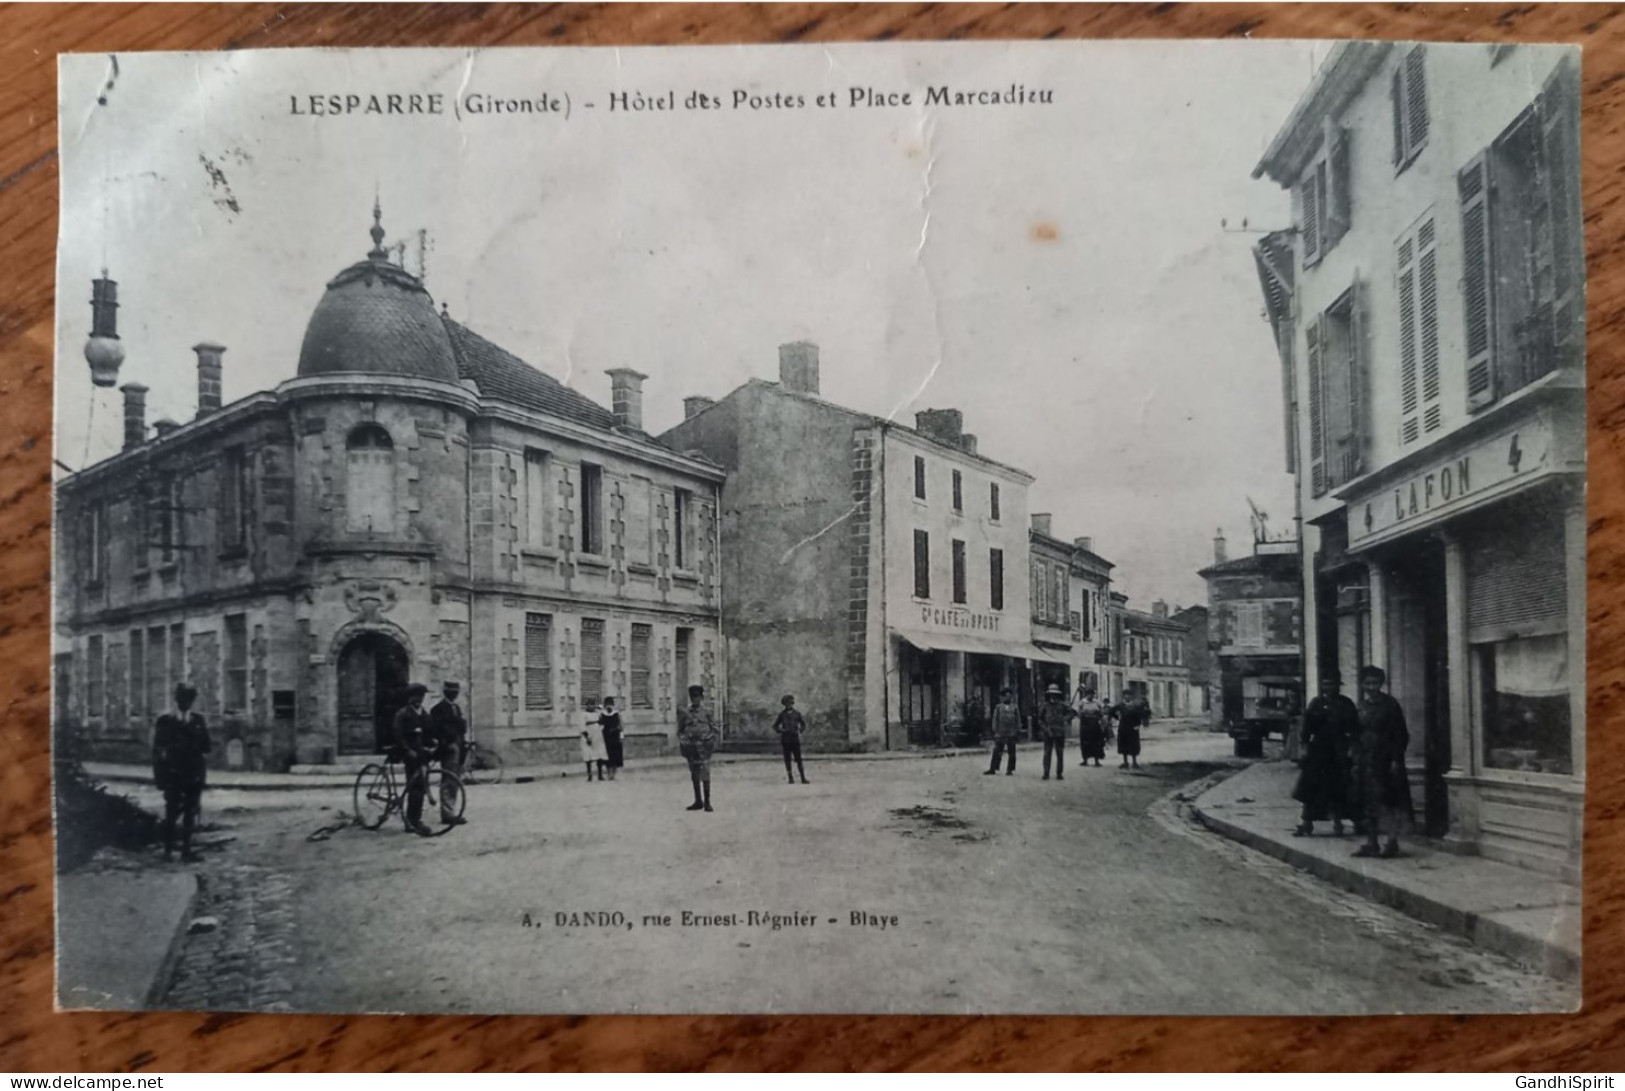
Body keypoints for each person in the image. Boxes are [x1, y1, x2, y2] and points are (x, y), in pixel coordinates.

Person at [1352, 665, 1412, 859]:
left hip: (1385, 760)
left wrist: (1396, 759)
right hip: (1366, 760)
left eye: (1375, 683)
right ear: (1362, 684)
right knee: (1368, 802)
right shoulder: (1361, 706)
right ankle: (1372, 842)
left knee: (1388, 801)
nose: (1371, 687)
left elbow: (1401, 734)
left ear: (1382, 683)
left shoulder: (1390, 705)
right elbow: (1355, 732)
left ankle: (1392, 841)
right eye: (1367, 683)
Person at [1292, 671, 1358, 837]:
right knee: (1311, 787)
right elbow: (1307, 728)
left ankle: (1339, 823)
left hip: (1338, 751)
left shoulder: (1346, 704)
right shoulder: (1316, 704)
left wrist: (1351, 747)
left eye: (1332, 684)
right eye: (1326, 684)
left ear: (1338, 685)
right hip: (1319, 751)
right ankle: (1307, 823)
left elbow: (1355, 728)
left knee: (1338, 788)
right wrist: (1305, 746)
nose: (1329, 688)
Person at [152, 682, 211, 862]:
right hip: (173, 775)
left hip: (193, 776)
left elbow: (206, 747)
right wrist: (160, 779)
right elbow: (157, 752)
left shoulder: (198, 721)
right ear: (177, 699)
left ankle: (186, 850)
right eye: (184, 698)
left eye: (190, 699)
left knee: (190, 813)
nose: (187, 702)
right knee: (171, 812)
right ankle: (168, 850)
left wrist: (201, 777)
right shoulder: (165, 721)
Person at [391, 682, 435, 836]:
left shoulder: (425, 714)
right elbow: (398, 735)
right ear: (410, 698)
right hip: (409, 754)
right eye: (416, 696)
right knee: (415, 786)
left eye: (421, 696)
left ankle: (415, 818)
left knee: (422, 786)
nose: (419, 699)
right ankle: (411, 820)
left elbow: (429, 733)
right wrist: (407, 750)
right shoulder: (402, 714)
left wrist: (433, 743)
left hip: (422, 754)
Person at [430, 681, 468, 826]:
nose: (454, 694)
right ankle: (447, 814)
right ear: (445, 692)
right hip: (448, 749)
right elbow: (438, 731)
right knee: (448, 780)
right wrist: (446, 744)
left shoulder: (456, 708)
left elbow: (461, 728)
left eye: (456, 691)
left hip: (459, 747)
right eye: (451, 691)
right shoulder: (438, 710)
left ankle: (451, 810)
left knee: (455, 781)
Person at [677, 684, 719, 812]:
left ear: (701, 697)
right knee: (694, 774)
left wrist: (710, 741)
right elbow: (680, 730)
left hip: (704, 748)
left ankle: (707, 802)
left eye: (697, 697)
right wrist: (684, 741)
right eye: (693, 697)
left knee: (705, 774)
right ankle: (698, 801)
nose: (695, 699)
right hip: (691, 747)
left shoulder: (707, 712)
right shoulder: (685, 713)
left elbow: (714, 728)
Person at [1039, 684, 1077, 781]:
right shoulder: (1045, 706)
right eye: (1051, 694)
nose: (1053, 696)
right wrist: (1044, 728)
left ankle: (1059, 773)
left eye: (1055, 694)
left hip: (1059, 732)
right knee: (1047, 753)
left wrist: (1065, 719)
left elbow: (1072, 713)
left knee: (1060, 753)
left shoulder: (1063, 705)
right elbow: (1040, 719)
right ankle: (1046, 773)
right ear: (1049, 695)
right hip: (1048, 732)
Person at [984, 687, 1022, 775]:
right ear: (1002, 697)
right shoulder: (998, 707)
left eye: (1009, 696)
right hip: (1000, 733)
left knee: (1012, 752)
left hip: (1011, 733)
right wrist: (995, 730)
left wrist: (1017, 730)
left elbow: (1018, 720)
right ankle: (993, 768)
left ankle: (1010, 769)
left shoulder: (1014, 707)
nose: (1007, 698)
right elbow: (995, 719)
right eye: (1005, 696)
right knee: (997, 751)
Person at [773, 694, 809, 784]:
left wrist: (800, 730)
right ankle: (790, 778)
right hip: (786, 740)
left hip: (795, 739)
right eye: (787, 704)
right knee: (787, 759)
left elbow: (803, 724)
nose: (789, 705)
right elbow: (775, 726)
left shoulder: (797, 714)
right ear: (784, 704)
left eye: (790, 703)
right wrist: (782, 730)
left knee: (799, 759)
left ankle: (803, 778)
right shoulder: (782, 715)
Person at [1075, 687, 1108, 767]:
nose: (1091, 696)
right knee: (1085, 743)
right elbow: (1078, 714)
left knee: (1096, 742)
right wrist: (1083, 716)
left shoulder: (1097, 702)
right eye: (1089, 694)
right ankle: (1085, 760)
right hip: (1085, 725)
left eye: (1092, 694)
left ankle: (1097, 761)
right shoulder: (1082, 702)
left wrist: (1101, 720)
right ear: (1086, 695)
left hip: (1095, 724)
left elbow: (1102, 713)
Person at [1116, 689, 1145, 769]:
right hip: (1123, 727)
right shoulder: (1120, 705)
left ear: (1131, 696)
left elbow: (1139, 716)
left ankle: (1134, 762)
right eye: (1125, 695)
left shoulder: (1135, 706)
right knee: (1124, 744)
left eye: (1129, 695)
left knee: (1133, 745)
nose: (1127, 696)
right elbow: (1112, 711)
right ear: (1123, 696)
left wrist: (1138, 725)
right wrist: (1117, 717)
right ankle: (1125, 762)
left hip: (1133, 727)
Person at [596, 697, 624, 781]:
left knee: (616, 755)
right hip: (606, 736)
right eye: (607, 704)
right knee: (607, 755)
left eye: (610, 704)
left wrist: (622, 736)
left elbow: (621, 725)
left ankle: (613, 774)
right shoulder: (602, 714)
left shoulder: (617, 714)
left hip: (615, 735)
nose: (609, 706)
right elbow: (600, 725)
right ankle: (608, 773)